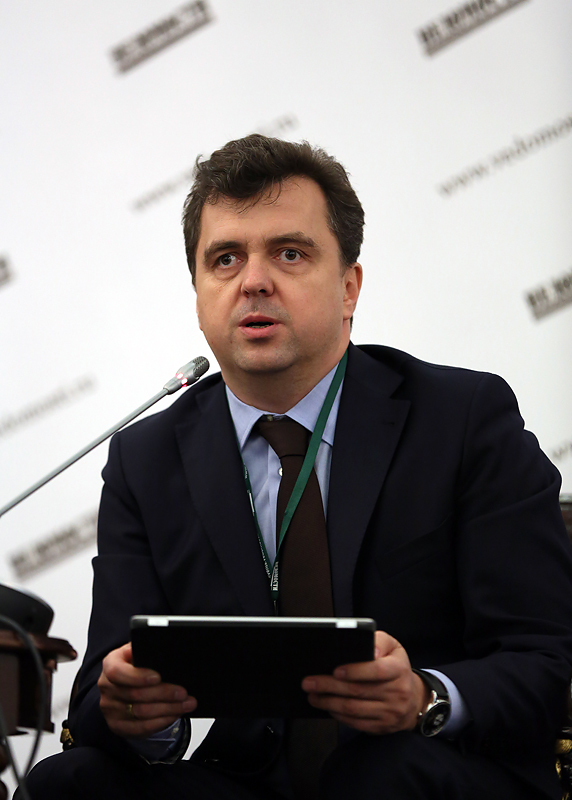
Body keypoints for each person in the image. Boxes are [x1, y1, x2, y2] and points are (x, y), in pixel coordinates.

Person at [22, 135, 572, 799]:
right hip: (248, 781)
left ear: (348, 288)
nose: (253, 281)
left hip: (426, 767)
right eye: (225, 258)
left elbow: (544, 660)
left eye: (289, 253)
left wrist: (424, 697)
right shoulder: (146, 460)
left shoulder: (461, 419)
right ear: (198, 294)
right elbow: (97, 702)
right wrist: (143, 717)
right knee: (67, 784)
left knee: (378, 778)